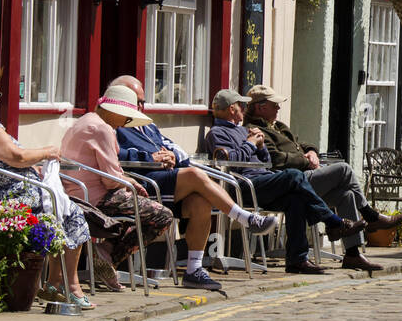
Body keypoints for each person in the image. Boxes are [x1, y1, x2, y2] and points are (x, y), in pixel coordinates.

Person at [60, 84, 277, 291]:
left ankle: (193, 268)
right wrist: (140, 169)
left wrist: (170, 156)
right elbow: (112, 174)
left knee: (200, 200)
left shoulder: (92, 121)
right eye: (130, 111)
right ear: (113, 110)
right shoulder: (104, 129)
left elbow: (116, 167)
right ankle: (108, 254)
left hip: (103, 187)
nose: (128, 119)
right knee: (174, 201)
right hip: (106, 192)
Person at [0, 65, 94, 308]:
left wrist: (29, 168)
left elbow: (0, 161)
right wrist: (48, 152)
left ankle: (58, 283)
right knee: (73, 213)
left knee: (63, 206)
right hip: (3, 196)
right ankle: (66, 285)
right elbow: (16, 156)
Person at [205, 89, 366, 275]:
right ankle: (333, 222)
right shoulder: (217, 133)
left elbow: (265, 160)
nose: (243, 109)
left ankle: (297, 260)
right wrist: (250, 144)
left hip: (263, 180)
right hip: (244, 186)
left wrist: (261, 145)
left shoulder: (244, 130)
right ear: (232, 109)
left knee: (295, 198)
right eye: (240, 106)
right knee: (294, 176)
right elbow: (228, 162)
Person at [245, 85, 399, 272]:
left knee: (346, 195)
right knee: (344, 169)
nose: (278, 108)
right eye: (274, 104)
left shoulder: (278, 126)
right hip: (291, 181)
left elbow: (300, 144)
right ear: (261, 107)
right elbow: (276, 160)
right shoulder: (255, 130)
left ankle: (352, 255)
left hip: (305, 178)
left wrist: (311, 152)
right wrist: (304, 160)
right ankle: (370, 215)